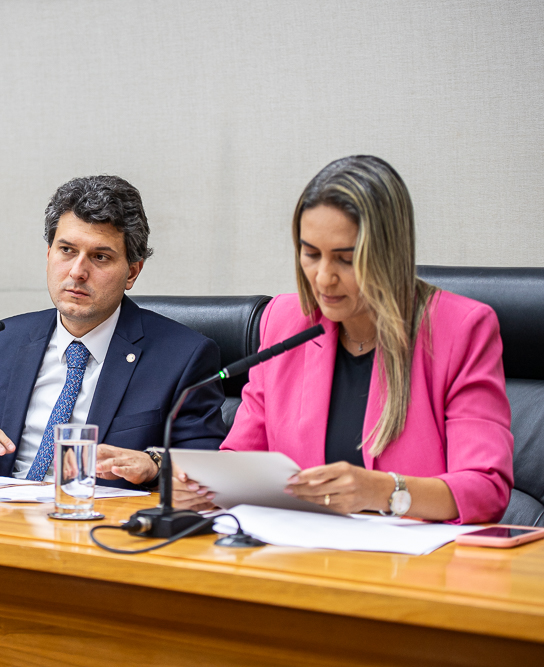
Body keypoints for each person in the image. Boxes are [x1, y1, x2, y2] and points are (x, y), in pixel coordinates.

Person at [176, 156, 513, 524]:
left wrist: (382, 490)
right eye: (311, 254)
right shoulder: (284, 321)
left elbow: (485, 490)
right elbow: (242, 456)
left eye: (345, 259)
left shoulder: (460, 328)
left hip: (412, 555)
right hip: (298, 546)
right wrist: (206, 486)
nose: (323, 278)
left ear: (389, 254)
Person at [0, 175, 227, 489]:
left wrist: (154, 464)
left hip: (95, 515)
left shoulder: (183, 357)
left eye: (100, 257)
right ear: (49, 255)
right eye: (67, 250)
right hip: (2, 512)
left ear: (132, 272)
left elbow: (207, 466)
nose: (77, 272)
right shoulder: (4, 341)